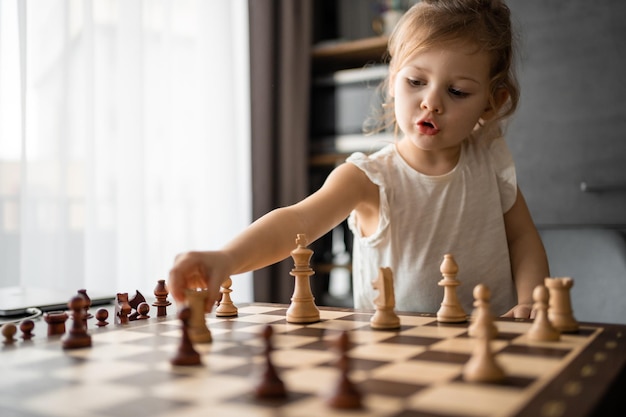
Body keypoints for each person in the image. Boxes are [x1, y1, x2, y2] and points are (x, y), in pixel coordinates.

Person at [168, 0, 549, 318]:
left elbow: (522, 237)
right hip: (392, 351)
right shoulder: (368, 177)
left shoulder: (491, 161)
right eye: (415, 82)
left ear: (491, 102)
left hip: (489, 341)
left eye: (457, 91)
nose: (431, 101)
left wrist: (531, 300)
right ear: (392, 81)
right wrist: (226, 258)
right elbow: (296, 222)